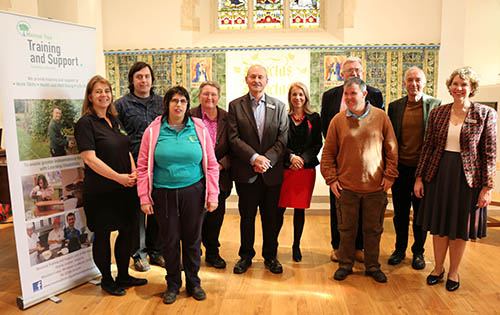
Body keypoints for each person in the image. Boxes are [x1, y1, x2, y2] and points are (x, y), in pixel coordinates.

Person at [414, 66, 497, 291]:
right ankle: (438, 268)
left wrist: (487, 187)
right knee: (439, 225)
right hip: (438, 174)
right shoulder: (438, 113)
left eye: (464, 85)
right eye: (455, 84)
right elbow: (428, 147)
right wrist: (419, 177)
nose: (459, 88)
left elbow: (490, 152)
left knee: (460, 227)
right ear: (450, 86)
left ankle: (453, 272)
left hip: (468, 179)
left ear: (471, 89)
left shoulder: (486, 114)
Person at [137, 86, 219, 304]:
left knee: (193, 240)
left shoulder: (199, 128)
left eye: (183, 101)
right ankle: (173, 284)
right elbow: (143, 165)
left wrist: (213, 194)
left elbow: (211, 164)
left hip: (193, 191)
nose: (179, 105)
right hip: (163, 193)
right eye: (174, 100)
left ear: (187, 104)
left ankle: (194, 282)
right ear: (167, 104)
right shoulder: (154, 131)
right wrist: (144, 197)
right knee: (170, 241)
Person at [74, 75, 147, 297]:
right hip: (101, 191)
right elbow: (90, 159)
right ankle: (107, 279)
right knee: (104, 235)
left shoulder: (114, 120)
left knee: (127, 231)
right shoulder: (85, 124)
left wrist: (133, 173)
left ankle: (123, 275)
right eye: (98, 91)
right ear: (90, 96)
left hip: (125, 188)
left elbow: (126, 150)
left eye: (107, 90)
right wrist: (119, 177)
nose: (103, 95)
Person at [320, 77, 398, 283]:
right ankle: (345, 265)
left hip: (375, 188)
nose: (349, 97)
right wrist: (332, 179)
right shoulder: (337, 121)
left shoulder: (381, 117)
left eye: (353, 93)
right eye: (346, 94)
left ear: (364, 94)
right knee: (346, 230)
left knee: (373, 230)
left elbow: (392, 149)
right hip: (346, 188)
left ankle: (372, 266)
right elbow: (328, 153)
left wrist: (390, 175)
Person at [320, 56, 384, 263]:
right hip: (339, 161)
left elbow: (379, 126)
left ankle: (359, 248)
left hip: (366, 165)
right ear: (342, 74)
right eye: (349, 71)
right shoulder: (330, 96)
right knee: (338, 205)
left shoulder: (374, 94)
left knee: (362, 209)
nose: (354, 74)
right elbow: (325, 126)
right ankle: (338, 246)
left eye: (358, 71)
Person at [228, 64, 289, 275]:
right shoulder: (235, 106)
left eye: (260, 77)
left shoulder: (280, 107)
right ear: (246, 80)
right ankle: (245, 255)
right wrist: (254, 158)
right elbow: (233, 138)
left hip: (271, 173)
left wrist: (266, 160)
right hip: (246, 173)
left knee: (271, 218)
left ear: (267, 81)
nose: (256, 80)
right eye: (252, 77)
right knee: (246, 217)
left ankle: (271, 256)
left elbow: (283, 139)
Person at [387, 67, 441, 269]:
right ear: (403, 83)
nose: (413, 84)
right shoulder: (395, 107)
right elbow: (389, 139)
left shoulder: (435, 106)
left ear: (424, 82)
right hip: (401, 169)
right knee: (400, 213)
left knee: (420, 214)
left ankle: (418, 251)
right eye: (409, 80)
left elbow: (436, 141)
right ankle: (399, 249)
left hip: (425, 172)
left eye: (417, 80)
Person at [115, 61, 164, 272]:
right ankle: (138, 253)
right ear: (132, 80)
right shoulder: (121, 105)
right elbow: (118, 137)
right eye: (139, 77)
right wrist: (129, 166)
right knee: (136, 212)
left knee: (157, 209)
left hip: (159, 164)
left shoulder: (162, 103)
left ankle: (156, 251)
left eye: (146, 76)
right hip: (134, 165)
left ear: (152, 80)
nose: (143, 80)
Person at [275, 82, 322, 262]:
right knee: (279, 209)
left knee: (299, 210)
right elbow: (279, 142)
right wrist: (291, 157)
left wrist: (302, 159)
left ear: (306, 97)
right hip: (287, 169)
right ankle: (274, 244)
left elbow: (317, 144)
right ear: (290, 98)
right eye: (294, 95)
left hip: (305, 169)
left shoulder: (314, 118)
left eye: (301, 95)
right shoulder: (283, 117)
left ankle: (296, 245)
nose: (298, 98)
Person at [190, 81, 232, 269]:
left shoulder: (227, 117)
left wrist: (220, 165)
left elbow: (235, 147)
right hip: (193, 176)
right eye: (205, 94)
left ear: (219, 97)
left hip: (219, 177)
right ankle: (193, 252)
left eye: (213, 94)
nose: (209, 98)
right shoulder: (189, 115)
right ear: (199, 96)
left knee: (215, 217)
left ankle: (213, 252)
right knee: (194, 217)